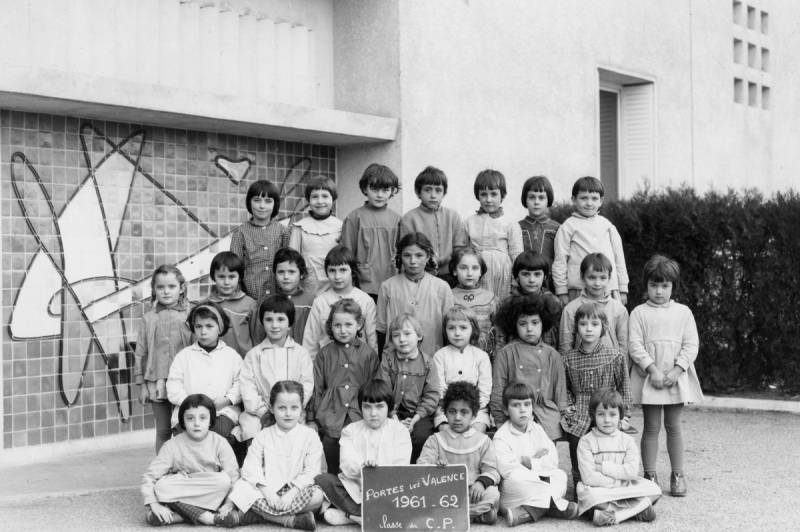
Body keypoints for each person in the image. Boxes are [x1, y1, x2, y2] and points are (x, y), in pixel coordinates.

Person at [629, 255, 703, 497]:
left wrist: (677, 370)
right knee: (651, 427)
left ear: (673, 286)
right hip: (650, 377)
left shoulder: (683, 312)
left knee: (674, 426)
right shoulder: (638, 312)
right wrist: (652, 370)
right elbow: (635, 345)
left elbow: (691, 344)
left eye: (664, 286)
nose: (658, 291)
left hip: (674, 377)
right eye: (653, 285)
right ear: (646, 285)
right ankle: (650, 475)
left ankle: (677, 474)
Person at [225, 381, 323, 531]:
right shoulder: (263, 435)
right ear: (272, 408)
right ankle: (288, 520)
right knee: (241, 487)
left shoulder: (310, 436)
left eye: (294, 408)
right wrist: (267, 492)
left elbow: (312, 471)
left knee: (317, 496)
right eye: (282, 408)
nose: (288, 413)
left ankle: (258, 515)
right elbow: (251, 467)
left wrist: (291, 494)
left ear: (302, 408)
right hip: (266, 492)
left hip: (295, 492)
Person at [314, 380, 412, 526]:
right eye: (367, 407)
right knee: (323, 480)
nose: (373, 414)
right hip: (355, 491)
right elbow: (346, 464)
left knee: (412, 492)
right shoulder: (350, 430)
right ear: (360, 408)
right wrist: (364, 468)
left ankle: (350, 516)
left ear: (389, 407)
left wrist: (377, 473)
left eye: (379, 407)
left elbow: (400, 467)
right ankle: (372, 516)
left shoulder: (400, 430)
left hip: (388, 492)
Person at [562, 302, 633, 488]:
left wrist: (625, 416)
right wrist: (569, 403)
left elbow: (624, 386)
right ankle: (579, 481)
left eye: (594, 324)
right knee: (576, 439)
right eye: (583, 324)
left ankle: (610, 480)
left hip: (607, 410)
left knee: (609, 440)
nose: (589, 329)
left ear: (603, 328)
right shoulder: (569, 358)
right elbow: (566, 387)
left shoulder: (614, 356)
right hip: (581, 412)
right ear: (576, 327)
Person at [141, 394, 240, 527]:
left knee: (224, 481)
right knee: (161, 486)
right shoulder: (172, 445)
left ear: (211, 420)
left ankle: (177, 516)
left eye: (202, 418)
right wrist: (154, 504)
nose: (197, 423)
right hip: (184, 485)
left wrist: (229, 503)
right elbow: (150, 477)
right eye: (190, 418)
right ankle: (208, 517)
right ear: (183, 421)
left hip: (210, 487)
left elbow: (234, 476)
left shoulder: (219, 442)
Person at [308, 299, 380, 475]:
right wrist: (311, 417)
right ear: (330, 327)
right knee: (331, 443)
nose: (343, 330)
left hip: (358, 409)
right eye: (337, 325)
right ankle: (333, 480)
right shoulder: (324, 354)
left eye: (348, 324)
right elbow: (316, 387)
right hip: (331, 410)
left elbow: (374, 387)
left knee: (357, 446)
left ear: (359, 324)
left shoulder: (368, 354)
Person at [494, 382, 578, 527]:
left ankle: (529, 511)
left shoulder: (537, 429)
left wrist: (530, 462)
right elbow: (507, 469)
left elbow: (552, 460)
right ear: (506, 410)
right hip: (515, 491)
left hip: (533, 484)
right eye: (516, 405)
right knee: (516, 478)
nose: (522, 410)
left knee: (560, 476)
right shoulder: (501, 436)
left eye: (527, 404)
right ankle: (554, 505)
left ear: (532, 408)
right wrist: (537, 463)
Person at [417, 381, 501, 525]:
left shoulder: (483, 441)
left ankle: (445, 516)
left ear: (473, 415)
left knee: (493, 494)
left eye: (464, 412)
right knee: (420, 496)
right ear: (445, 412)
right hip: (443, 494)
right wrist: (436, 469)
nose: (457, 417)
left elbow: (492, 470)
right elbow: (422, 466)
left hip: (471, 493)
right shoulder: (435, 440)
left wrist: (481, 483)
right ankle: (476, 516)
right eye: (452, 411)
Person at [577, 388, 662, 526]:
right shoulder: (586, 441)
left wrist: (602, 467)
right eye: (601, 414)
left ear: (620, 416)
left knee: (655, 489)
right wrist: (618, 481)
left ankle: (613, 515)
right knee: (586, 494)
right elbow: (588, 477)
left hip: (626, 488)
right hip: (600, 490)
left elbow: (632, 472)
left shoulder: (627, 441)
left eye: (612, 414)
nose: (607, 420)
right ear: (593, 415)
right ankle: (636, 511)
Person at [237, 295, 313, 444]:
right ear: (262, 323)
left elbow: (307, 385)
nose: (274, 325)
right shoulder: (254, 355)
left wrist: (287, 407)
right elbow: (247, 387)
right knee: (254, 432)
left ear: (290, 323)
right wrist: (264, 411)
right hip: (259, 413)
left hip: (291, 410)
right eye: (269, 320)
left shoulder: (301, 353)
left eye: (280, 319)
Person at [166, 303, 242, 451]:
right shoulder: (184, 356)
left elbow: (241, 383)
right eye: (198, 326)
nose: (203, 332)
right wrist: (190, 403)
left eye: (209, 326)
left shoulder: (232, 356)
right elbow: (174, 385)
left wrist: (227, 400)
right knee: (186, 439)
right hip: (188, 410)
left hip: (221, 411)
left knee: (220, 436)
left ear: (220, 328)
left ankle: (219, 472)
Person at [490, 295, 567, 441]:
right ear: (514, 325)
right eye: (523, 324)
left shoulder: (553, 355)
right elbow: (498, 391)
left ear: (543, 323)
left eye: (535, 322)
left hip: (548, 420)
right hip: (514, 420)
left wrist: (562, 419)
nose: (530, 329)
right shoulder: (506, 353)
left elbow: (560, 392)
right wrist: (501, 422)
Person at [134, 264, 193, 453]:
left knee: (182, 427)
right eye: (160, 287)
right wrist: (141, 385)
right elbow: (141, 352)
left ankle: (182, 469)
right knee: (164, 430)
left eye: (171, 286)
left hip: (184, 381)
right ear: (154, 289)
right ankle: (161, 472)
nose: (166, 292)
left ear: (181, 288)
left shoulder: (190, 315)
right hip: (156, 381)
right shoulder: (149, 318)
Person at [552, 176, 629, 305]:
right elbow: (560, 261)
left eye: (594, 199)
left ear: (601, 201)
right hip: (578, 289)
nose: (589, 203)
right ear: (574, 200)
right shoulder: (567, 227)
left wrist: (622, 288)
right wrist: (562, 291)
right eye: (583, 198)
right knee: (581, 321)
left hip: (608, 288)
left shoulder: (607, 226)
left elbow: (619, 258)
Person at [377, 233, 454, 356]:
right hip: (395, 359)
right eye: (407, 255)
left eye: (419, 255)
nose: (413, 261)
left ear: (428, 256)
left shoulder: (441, 287)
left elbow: (449, 327)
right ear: (400, 256)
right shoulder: (388, 286)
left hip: (432, 356)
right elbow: (381, 328)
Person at [376, 313, 440, 463]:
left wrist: (415, 419)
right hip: (392, 412)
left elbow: (431, 395)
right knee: (388, 435)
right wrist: (395, 418)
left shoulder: (428, 363)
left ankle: (413, 473)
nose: (402, 339)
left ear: (418, 335)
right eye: (396, 335)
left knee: (421, 436)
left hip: (419, 414)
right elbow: (383, 391)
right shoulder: (388, 360)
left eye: (407, 333)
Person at [302, 246, 377, 360]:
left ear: (352, 271)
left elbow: (372, 340)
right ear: (326, 272)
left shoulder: (366, 301)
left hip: (359, 366)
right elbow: (310, 342)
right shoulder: (320, 302)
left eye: (343, 270)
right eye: (332, 270)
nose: (337, 276)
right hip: (328, 366)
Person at [340, 163, 402, 301]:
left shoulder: (397, 219)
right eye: (375, 189)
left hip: (392, 284)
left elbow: (402, 254)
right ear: (365, 188)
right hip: (363, 286)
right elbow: (346, 255)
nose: (380, 195)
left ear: (392, 191)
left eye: (385, 190)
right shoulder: (354, 218)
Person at [399, 166, 469, 287]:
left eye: (438, 190)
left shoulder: (452, 216)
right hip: (421, 276)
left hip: (450, 275)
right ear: (418, 192)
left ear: (444, 193)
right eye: (427, 190)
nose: (433, 195)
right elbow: (407, 251)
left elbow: (459, 248)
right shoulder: (409, 219)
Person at [559, 253, 629, 366]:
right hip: (580, 370)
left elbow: (624, 346)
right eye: (591, 277)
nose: (597, 283)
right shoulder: (571, 309)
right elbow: (565, 345)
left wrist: (622, 371)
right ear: (582, 277)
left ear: (609, 278)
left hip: (610, 371)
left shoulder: (619, 309)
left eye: (602, 278)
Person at [464, 169, 523, 301]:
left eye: (494, 194)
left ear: (502, 196)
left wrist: (515, 281)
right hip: (476, 273)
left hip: (503, 275)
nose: (488, 199)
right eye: (484, 194)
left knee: (500, 307)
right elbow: (462, 253)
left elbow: (517, 256)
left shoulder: (510, 223)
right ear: (477, 196)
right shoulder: (469, 222)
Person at [433, 306, 492, 433]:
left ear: (473, 330)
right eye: (451, 328)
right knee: (446, 430)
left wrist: (471, 409)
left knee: (476, 430)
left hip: (476, 410)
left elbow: (485, 390)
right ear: (445, 330)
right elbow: (439, 387)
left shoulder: (481, 356)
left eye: (463, 328)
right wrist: (452, 407)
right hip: (447, 409)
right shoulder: (440, 356)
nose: (457, 333)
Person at [230, 180, 290, 300]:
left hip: (279, 299)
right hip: (250, 300)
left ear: (275, 204)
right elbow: (234, 269)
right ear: (249, 202)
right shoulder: (240, 233)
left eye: (268, 201)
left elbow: (290, 265)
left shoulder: (284, 231)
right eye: (257, 200)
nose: (262, 206)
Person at [289, 175, 343, 296]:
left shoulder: (341, 227)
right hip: (307, 288)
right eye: (314, 197)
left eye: (325, 196)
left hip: (334, 286)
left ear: (333, 199)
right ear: (308, 200)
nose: (319, 201)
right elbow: (292, 260)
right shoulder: (300, 227)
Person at [201, 251, 259, 358]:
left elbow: (257, 338)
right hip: (212, 362)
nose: (226, 282)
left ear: (240, 277)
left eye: (232, 277)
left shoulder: (249, 304)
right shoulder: (205, 305)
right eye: (221, 277)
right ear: (213, 277)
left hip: (243, 363)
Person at [253, 248, 315, 346]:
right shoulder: (266, 302)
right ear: (275, 274)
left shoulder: (311, 303)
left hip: (301, 358)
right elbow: (258, 336)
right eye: (281, 272)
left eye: (291, 272)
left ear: (301, 274)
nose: (286, 277)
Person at [449, 246, 500, 359]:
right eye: (463, 268)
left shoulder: (491, 298)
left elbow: (499, 333)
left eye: (475, 268)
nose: (469, 273)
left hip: (483, 358)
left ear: (481, 271)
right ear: (454, 270)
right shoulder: (447, 296)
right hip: (453, 358)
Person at [509, 250, 562, 350]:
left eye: (537, 274)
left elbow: (560, 334)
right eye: (525, 274)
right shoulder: (510, 302)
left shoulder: (554, 302)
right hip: (516, 358)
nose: (532, 280)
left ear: (545, 276)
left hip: (546, 357)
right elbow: (502, 336)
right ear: (516, 277)